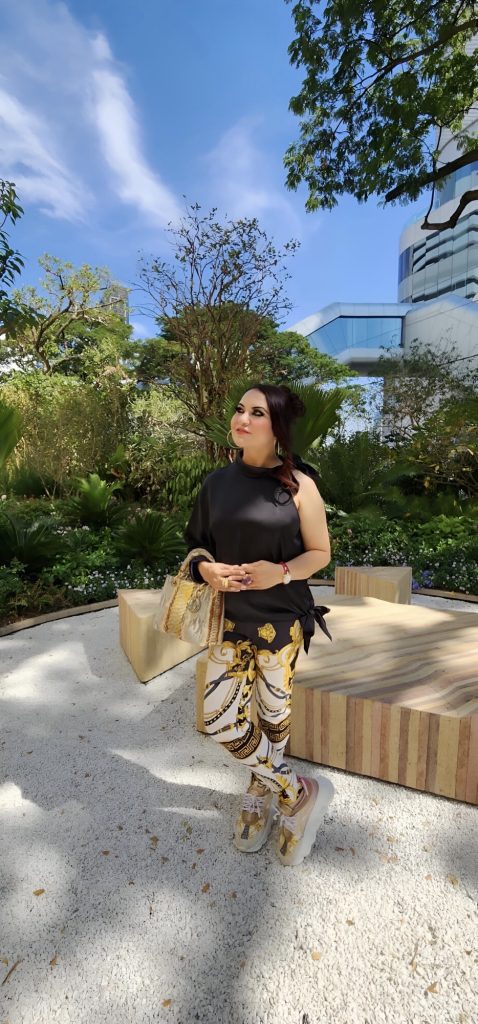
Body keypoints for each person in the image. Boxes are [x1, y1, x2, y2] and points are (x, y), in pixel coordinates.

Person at [185, 383, 334, 866]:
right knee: (218, 720)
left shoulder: (300, 486)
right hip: (228, 621)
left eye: (257, 413)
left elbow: (320, 553)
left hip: (282, 620)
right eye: (239, 409)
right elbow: (194, 546)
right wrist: (207, 570)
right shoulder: (216, 485)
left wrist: (282, 571)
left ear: (278, 428)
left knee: (273, 714)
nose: (242, 419)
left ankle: (259, 785)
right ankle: (294, 791)